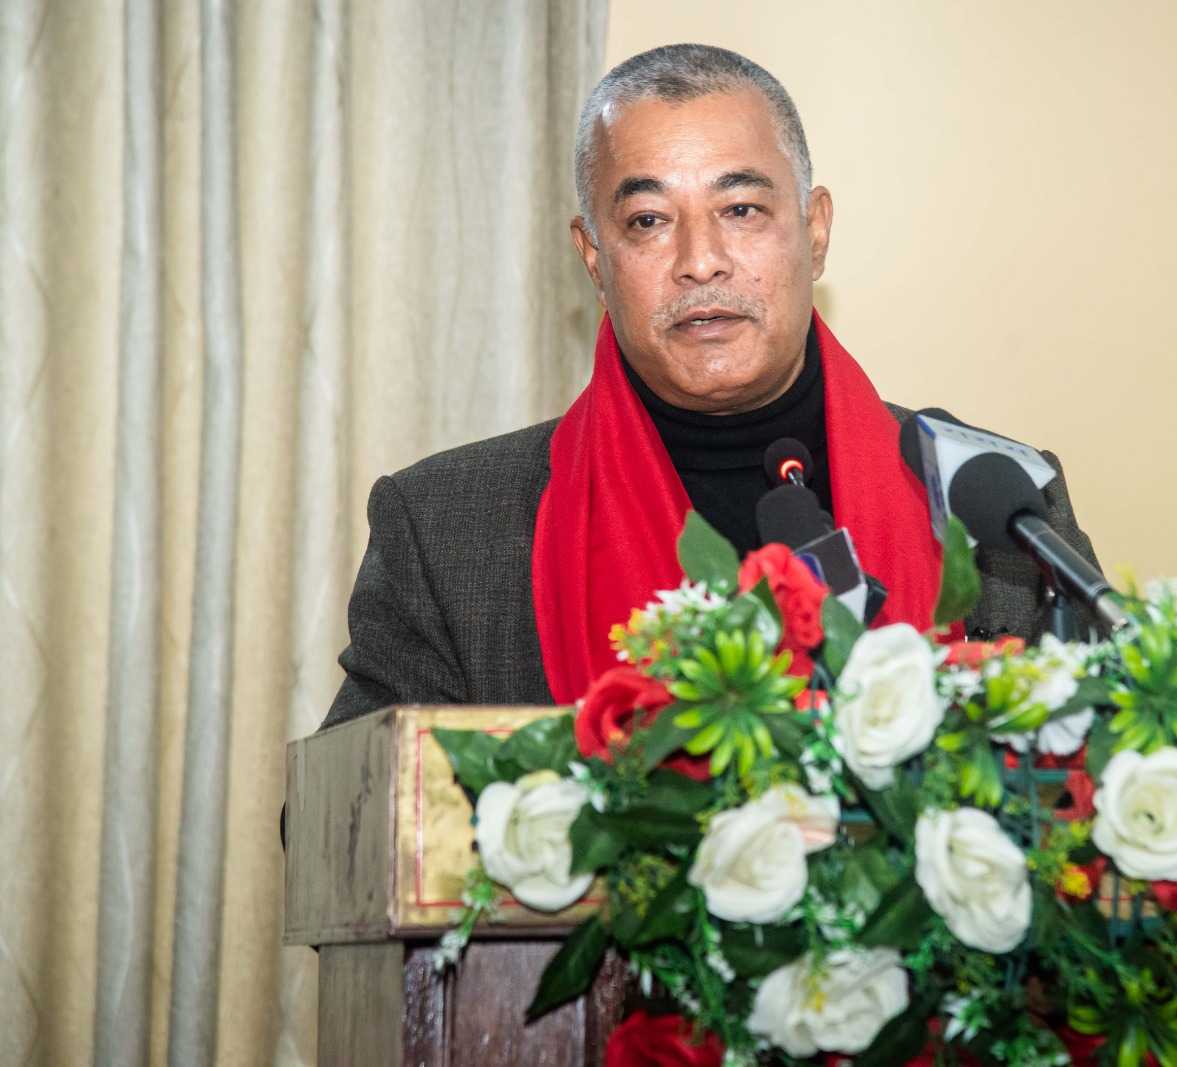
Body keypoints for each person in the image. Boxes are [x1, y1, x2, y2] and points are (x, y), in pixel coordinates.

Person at [321, 44, 1099, 730]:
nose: (700, 260)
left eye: (741, 208)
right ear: (593, 257)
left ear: (815, 230)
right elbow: (342, 816)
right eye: (648, 221)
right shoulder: (447, 527)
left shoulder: (998, 499)